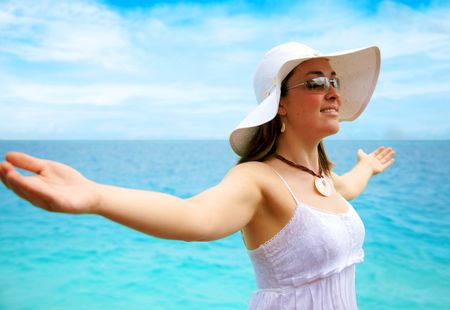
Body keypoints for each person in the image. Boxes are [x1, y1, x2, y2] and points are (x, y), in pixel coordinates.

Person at [0, 42, 395, 309]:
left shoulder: (322, 175)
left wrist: (368, 167)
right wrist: (95, 197)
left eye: (334, 82)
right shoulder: (257, 179)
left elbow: (345, 190)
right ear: (281, 106)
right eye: (315, 83)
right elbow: (195, 216)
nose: (333, 92)